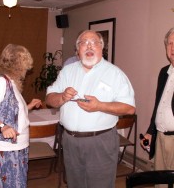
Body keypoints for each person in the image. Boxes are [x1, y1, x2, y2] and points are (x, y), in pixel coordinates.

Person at [45, 30, 135, 188]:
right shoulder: (67, 71)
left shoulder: (115, 74)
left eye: (94, 42)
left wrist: (100, 106)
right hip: (70, 141)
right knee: (74, 184)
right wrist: (62, 97)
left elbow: (129, 108)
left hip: (100, 141)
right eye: (84, 43)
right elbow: (49, 99)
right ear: (77, 49)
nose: (89, 46)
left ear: (102, 48)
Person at [0, 44, 42, 188]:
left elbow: (9, 110)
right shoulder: (0, 83)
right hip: (4, 150)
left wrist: (28, 106)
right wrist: (2, 127)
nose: (26, 70)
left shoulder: (11, 83)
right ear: (16, 65)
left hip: (17, 147)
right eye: (24, 65)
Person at [140, 27, 174, 187]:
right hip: (160, 137)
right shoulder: (164, 72)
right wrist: (150, 132)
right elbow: (158, 107)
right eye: (170, 43)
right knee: (160, 182)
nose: (173, 48)